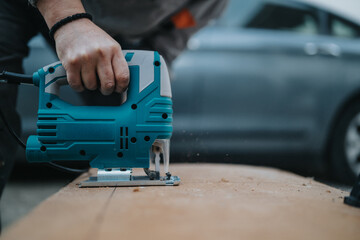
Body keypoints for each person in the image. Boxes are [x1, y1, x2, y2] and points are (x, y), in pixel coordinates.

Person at [0, 0, 228, 228]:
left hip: (113, 33)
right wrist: (68, 19)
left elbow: (168, 40)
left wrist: (151, 92)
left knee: (118, 139)